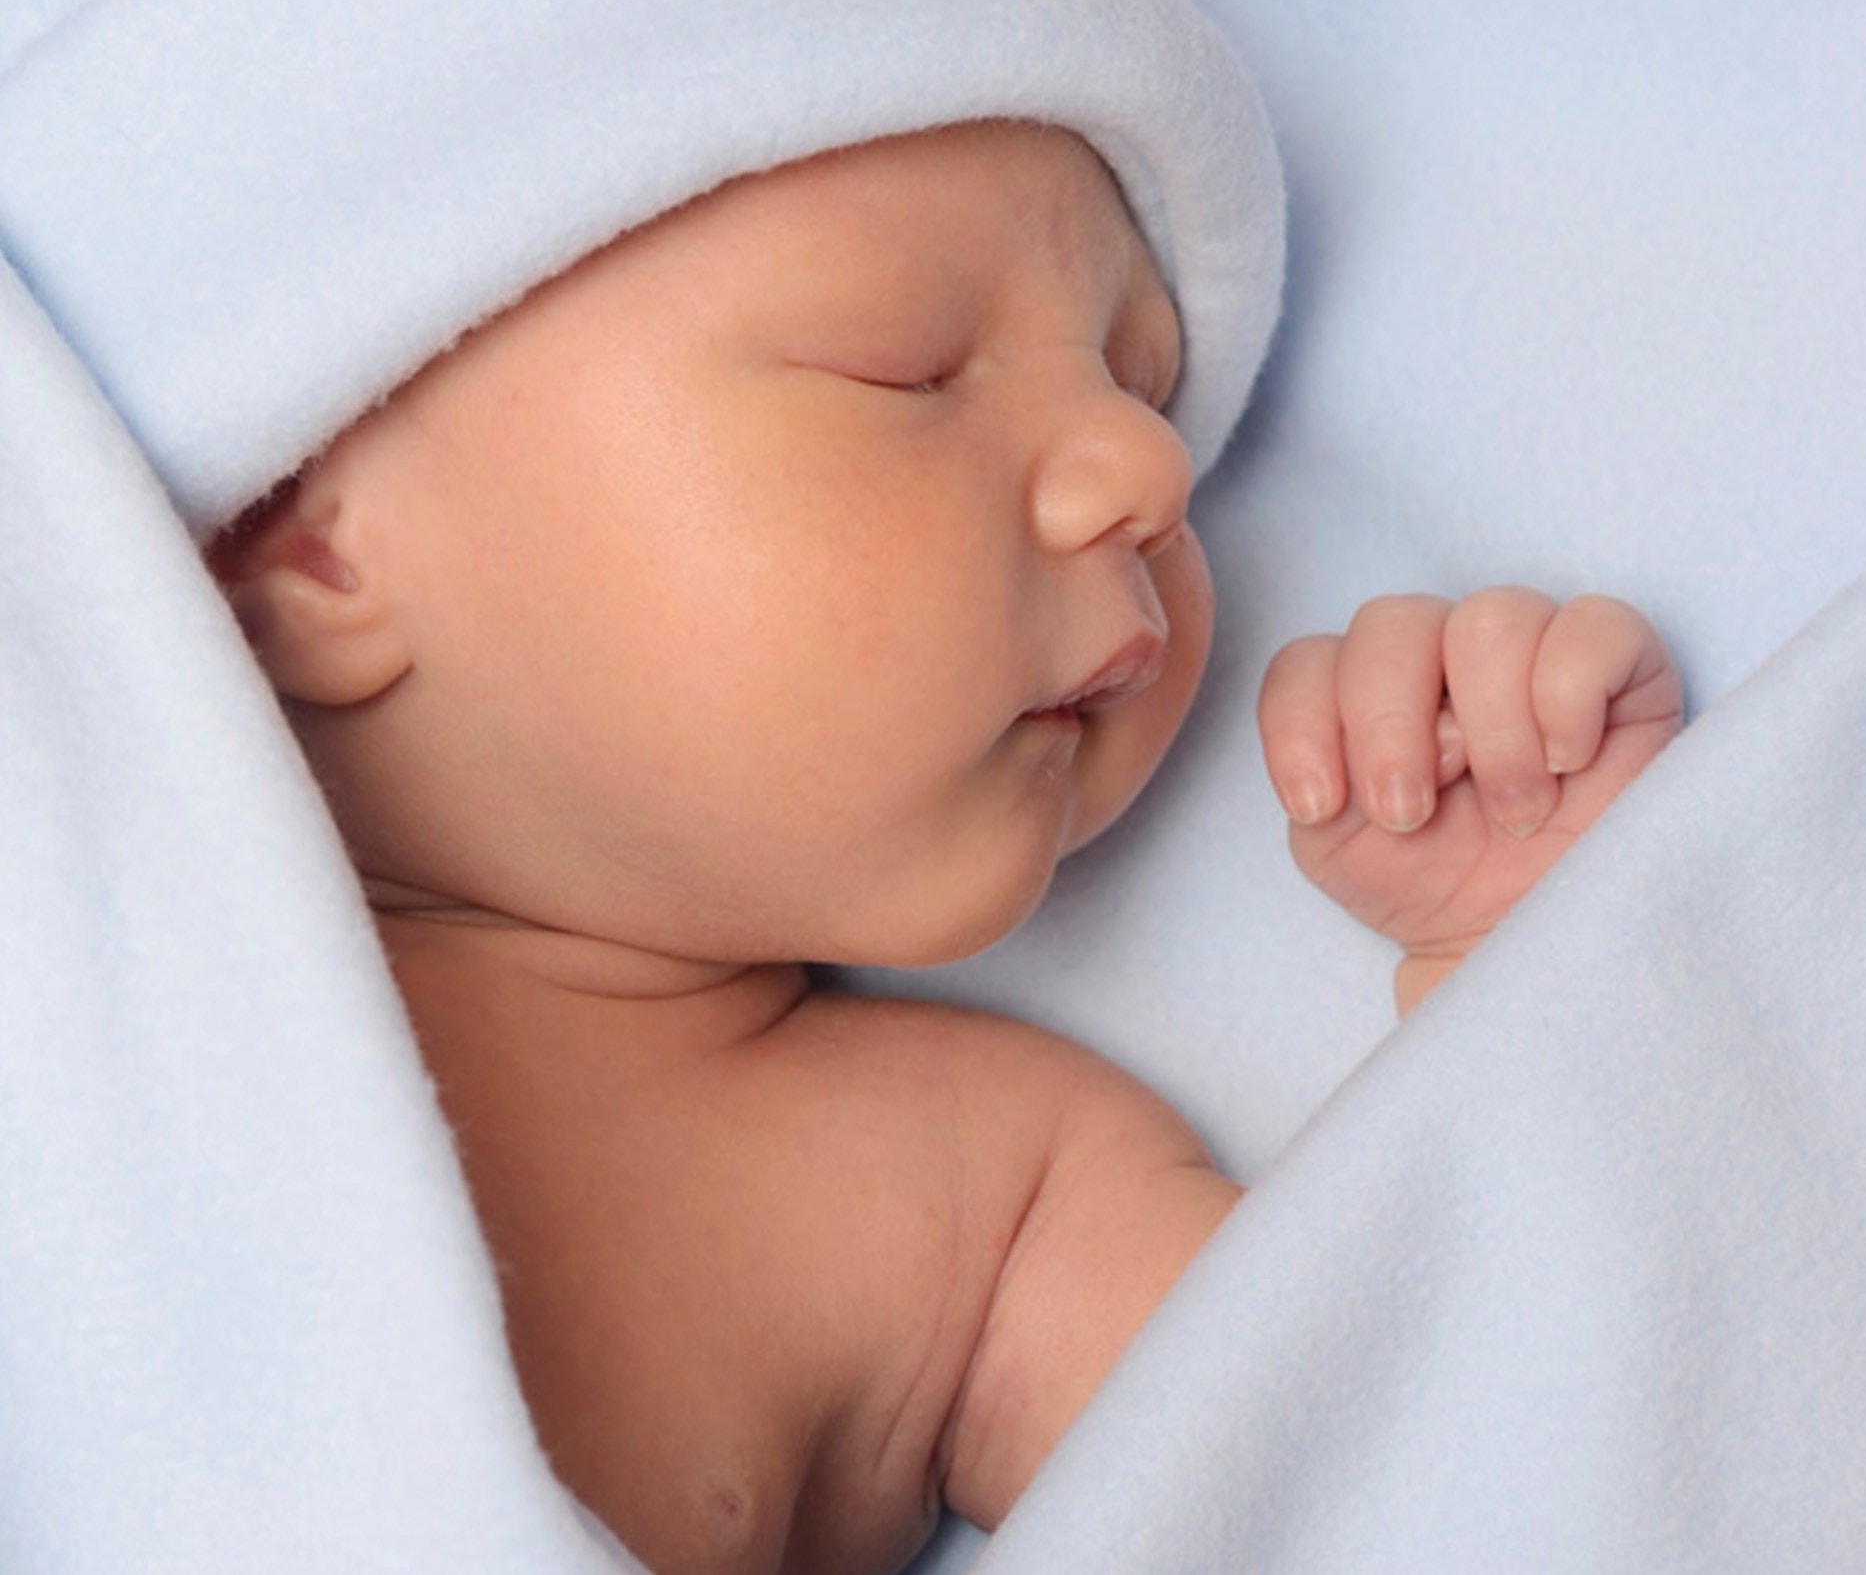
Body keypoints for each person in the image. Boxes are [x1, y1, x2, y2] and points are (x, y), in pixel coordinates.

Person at [211, 115, 1682, 1575]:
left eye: (1142, 386)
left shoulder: (982, 1203)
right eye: (904, 368)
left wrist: (1542, 949)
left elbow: (1450, 1477)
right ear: (309, 543)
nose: (1147, 472)